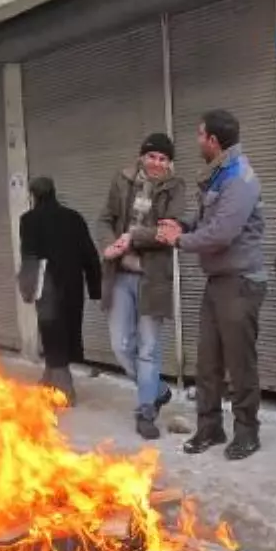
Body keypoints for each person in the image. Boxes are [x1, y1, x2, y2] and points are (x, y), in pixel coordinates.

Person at [157, 109, 267, 461]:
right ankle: (210, 427)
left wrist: (179, 241)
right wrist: (182, 225)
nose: (197, 141)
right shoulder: (219, 174)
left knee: (240, 362)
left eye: (200, 135)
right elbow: (207, 220)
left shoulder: (240, 178)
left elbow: (222, 233)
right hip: (219, 282)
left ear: (214, 141)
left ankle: (247, 432)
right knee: (208, 361)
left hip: (240, 283)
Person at [95, 133, 187, 440]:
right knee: (121, 345)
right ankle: (158, 389)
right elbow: (105, 218)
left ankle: (145, 409)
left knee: (148, 348)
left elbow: (169, 230)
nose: (157, 163)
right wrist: (109, 245)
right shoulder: (122, 180)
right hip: (119, 274)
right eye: (152, 157)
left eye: (163, 158)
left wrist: (133, 238)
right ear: (141, 157)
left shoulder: (176, 187)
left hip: (153, 278)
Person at [18, 176, 102, 405]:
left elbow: (29, 257)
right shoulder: (74, 218)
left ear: (34, 195)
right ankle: (49, 379)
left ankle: (65, 389)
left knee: (51, 331)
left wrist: (26, 288)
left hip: (46, 286)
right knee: (67, 330)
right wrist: (95, 287)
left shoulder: (29, 220)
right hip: (73, 284)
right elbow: (90, 254)